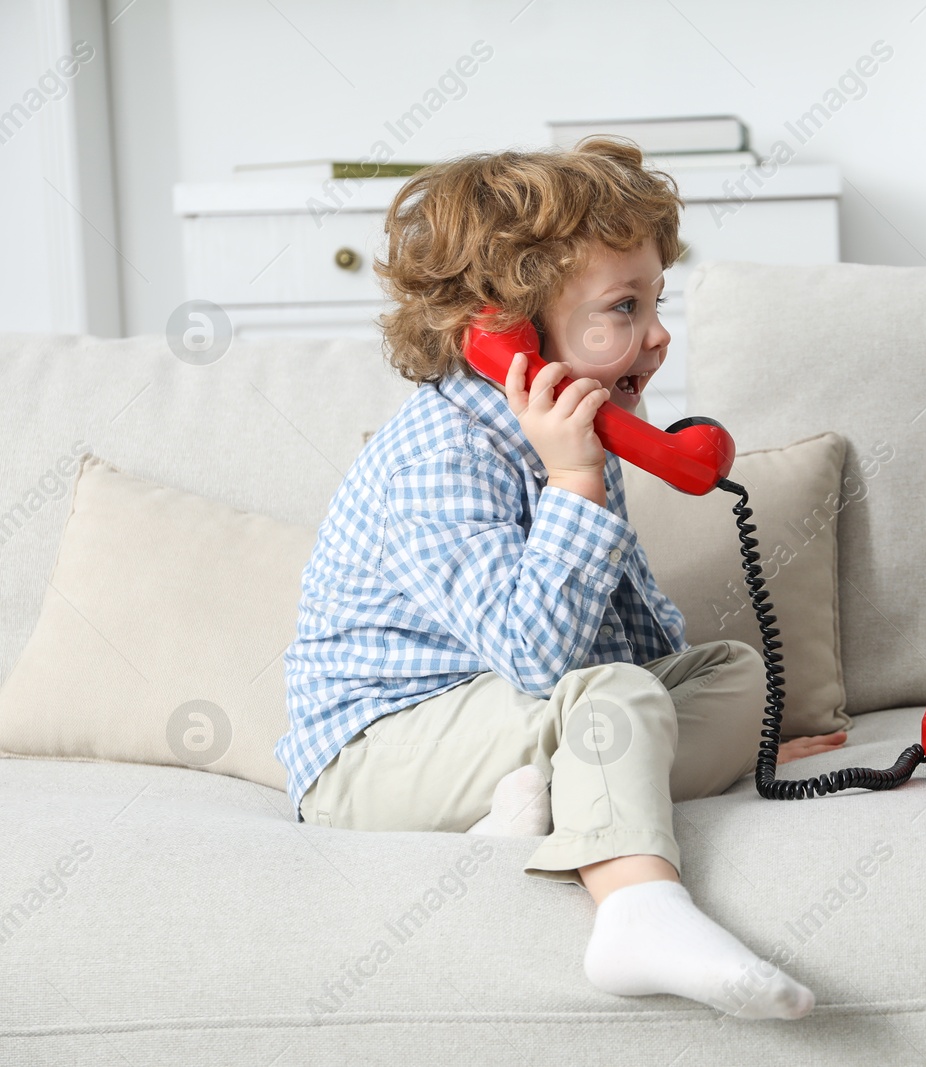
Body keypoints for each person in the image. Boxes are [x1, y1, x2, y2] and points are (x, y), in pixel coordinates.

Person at [274, 137, 846, 1020]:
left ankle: (544, 805)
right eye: (624, 307)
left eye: (657, 301)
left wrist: (748, 737)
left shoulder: (575, 426)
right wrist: (574, 483)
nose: (657, 337)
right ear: (506, 331)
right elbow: (541, 660)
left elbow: (626, 626)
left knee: (735, 672)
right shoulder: (440, 453)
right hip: (378, 754)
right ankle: (638, 911)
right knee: (608, 693)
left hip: (525, 721)